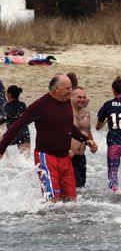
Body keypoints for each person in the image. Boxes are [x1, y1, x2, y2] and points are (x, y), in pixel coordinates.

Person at [0, 74, 97, 202]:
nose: (70, 91)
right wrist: (1, 148)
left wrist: (86, 140)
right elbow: (17, 125)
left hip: (65, 158)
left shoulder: (67, 102)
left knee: (71, 201)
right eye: (68, 88)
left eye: (71, 88)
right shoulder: (40, 105)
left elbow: (69, 127)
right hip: (46, 158)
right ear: (56, 89)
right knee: (52, 203)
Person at [70, 87, 96, 187]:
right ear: (71, 97)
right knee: (74, 186)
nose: (82, 100)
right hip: (69, 156)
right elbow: (60, 133)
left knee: (81, 187)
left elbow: (87, 130)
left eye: (84, 97)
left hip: (81, 156)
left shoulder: (86, 113)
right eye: (79, 97)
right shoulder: (66, 112)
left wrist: (92, 144)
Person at [0, 85, 31, 156]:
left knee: (1, 145)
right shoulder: (23, 105)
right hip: (24, 133)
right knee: (26, 158)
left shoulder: (7, 106)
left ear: (9, 95)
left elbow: (5, 118)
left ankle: (6, 163)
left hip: (13, 133)